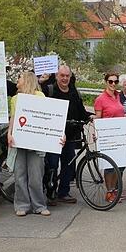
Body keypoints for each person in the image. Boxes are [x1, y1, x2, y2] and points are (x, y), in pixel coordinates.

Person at [7, 72, 54, 217]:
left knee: (36, 175)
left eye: (20, 78)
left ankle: (39, 205)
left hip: (36, 142)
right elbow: (13, 118)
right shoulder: (15, 99)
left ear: (27, 80)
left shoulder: (40, 96)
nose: (17, 80)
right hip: (19, 140)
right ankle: (22, 205)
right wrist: (9, 133)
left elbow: (47, 117)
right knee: (20, 174)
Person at [42, 65, 90, 205]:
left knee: (68, 164)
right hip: (53, 136)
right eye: (62, 75)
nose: (64, 78)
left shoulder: (74, 92)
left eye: (67, 76)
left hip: (70, 136)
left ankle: (63, 192)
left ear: (70, 77)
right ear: (56, 76)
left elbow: (81, 111)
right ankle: (51, 193)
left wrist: (90, 117)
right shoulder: (49, 91)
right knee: (52, 164)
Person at [94, 72, 126, 203]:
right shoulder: (100, 99)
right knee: (110, 166)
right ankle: (109, 192)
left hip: (119, 134)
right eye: (110, 81)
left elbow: (119, 112)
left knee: (120, 165)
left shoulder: (118, 96)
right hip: (108, 136)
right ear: (106, 82)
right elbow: (98, 118)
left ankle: (114, 190)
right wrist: (96, 132)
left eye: (115, 81)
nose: (113, 84)